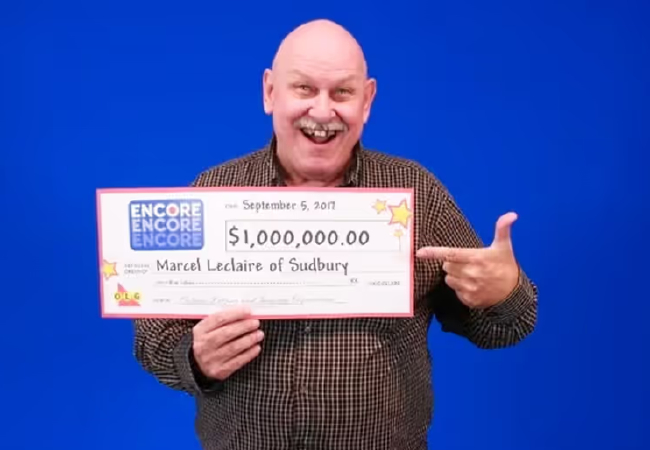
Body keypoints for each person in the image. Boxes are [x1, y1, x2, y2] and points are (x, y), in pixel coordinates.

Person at [133, 18, 538, 450]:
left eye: (342, 92)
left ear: (367, 101)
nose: (323, 112)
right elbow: (153, 336)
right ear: (270, 92)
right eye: (304, 88)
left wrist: (503, 293)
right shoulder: (213, 193)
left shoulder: (417, 193)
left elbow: (500, 329)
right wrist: (195, 359)